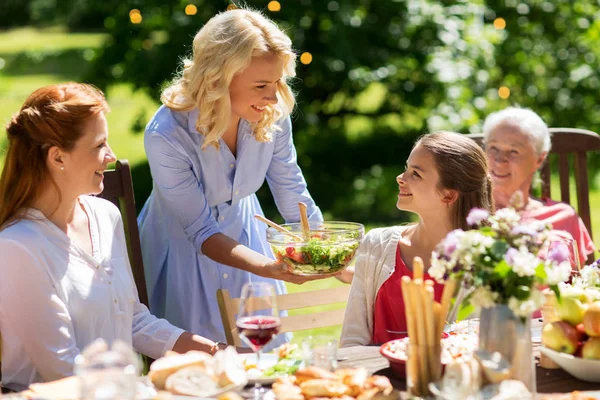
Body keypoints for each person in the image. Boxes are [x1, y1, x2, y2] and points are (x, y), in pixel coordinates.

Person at [0, 83, 228, 392]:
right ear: (57, 158)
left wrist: (216, 352)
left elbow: (133, 321)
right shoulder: (17, 248)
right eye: (99, 145)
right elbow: (61, 370)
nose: (111, 156)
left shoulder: (105, 216)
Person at [137, 7, 323, 346]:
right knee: (200, 372)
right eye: (261, 85)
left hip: (245, 235)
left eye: (278, 81)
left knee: (264, 359)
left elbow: (290, 187)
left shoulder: (271, 114)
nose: (272, 96)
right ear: (218, 79)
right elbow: (202, 232)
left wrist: (322, 250)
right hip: (179, 249)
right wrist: (268, 267)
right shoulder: (166, 134)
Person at [340, 132, 494, 347]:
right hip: (375, 378)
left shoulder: (482, 263)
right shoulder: (376, 245)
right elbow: (351, 340)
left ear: (448, 195)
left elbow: (470, 349)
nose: (400, 178)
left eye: (416, 174)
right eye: (407, 168)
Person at [483, 106, 594, 266]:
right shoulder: (468, 212)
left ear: (540, 159)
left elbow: (583, 282)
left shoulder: (563, 216)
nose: (500, 160)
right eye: (493, 148)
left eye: (514, 151)